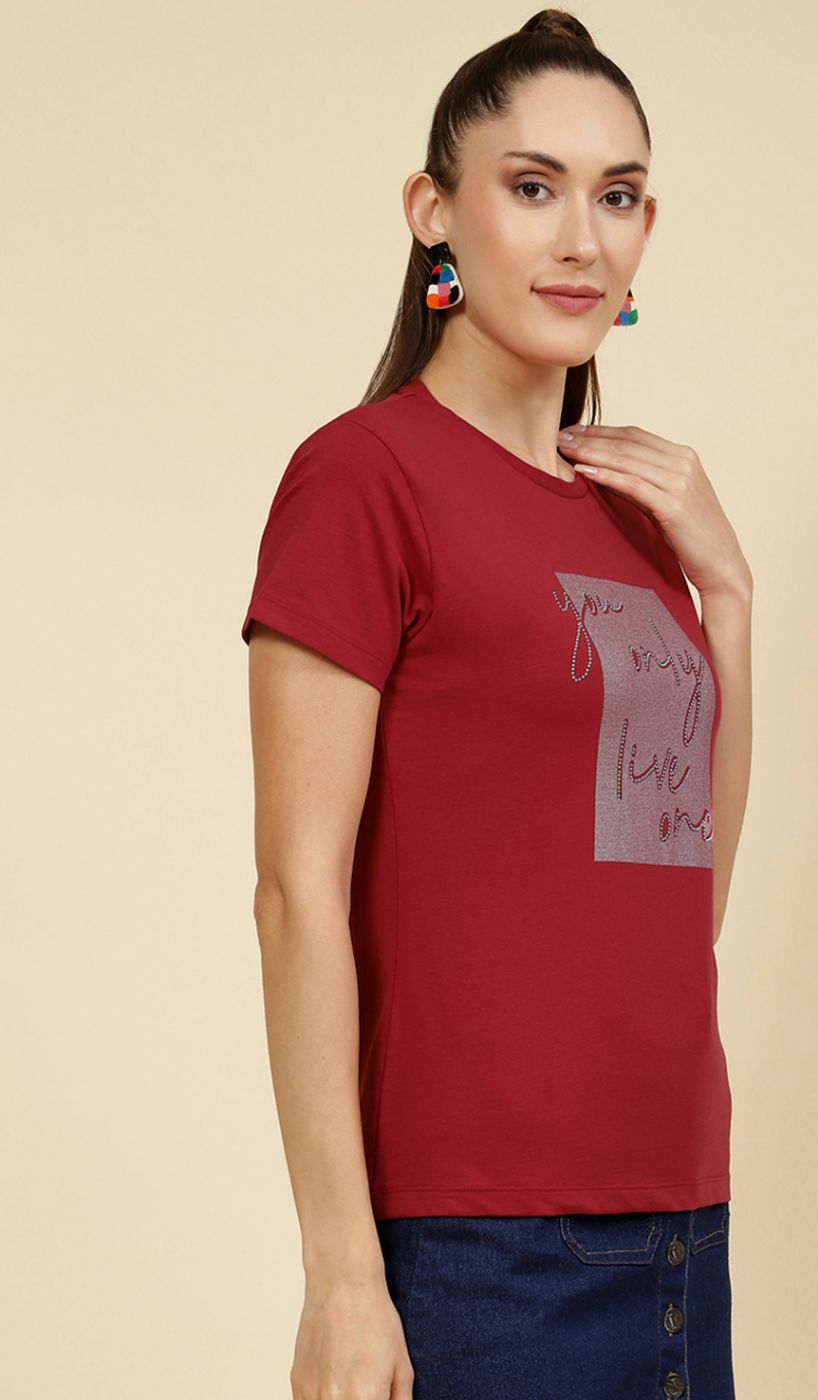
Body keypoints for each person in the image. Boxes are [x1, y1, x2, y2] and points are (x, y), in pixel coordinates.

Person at [240, 8, 753, 1399]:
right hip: (484, 1249)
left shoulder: (638, 517)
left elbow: (683, 886)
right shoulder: (366, 478)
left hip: (678, 1219)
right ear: (434, 214)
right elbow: (295, 889)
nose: (581, 238)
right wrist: (342, 1278)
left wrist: (726, 597)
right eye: (533, 187)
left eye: (617, 196)